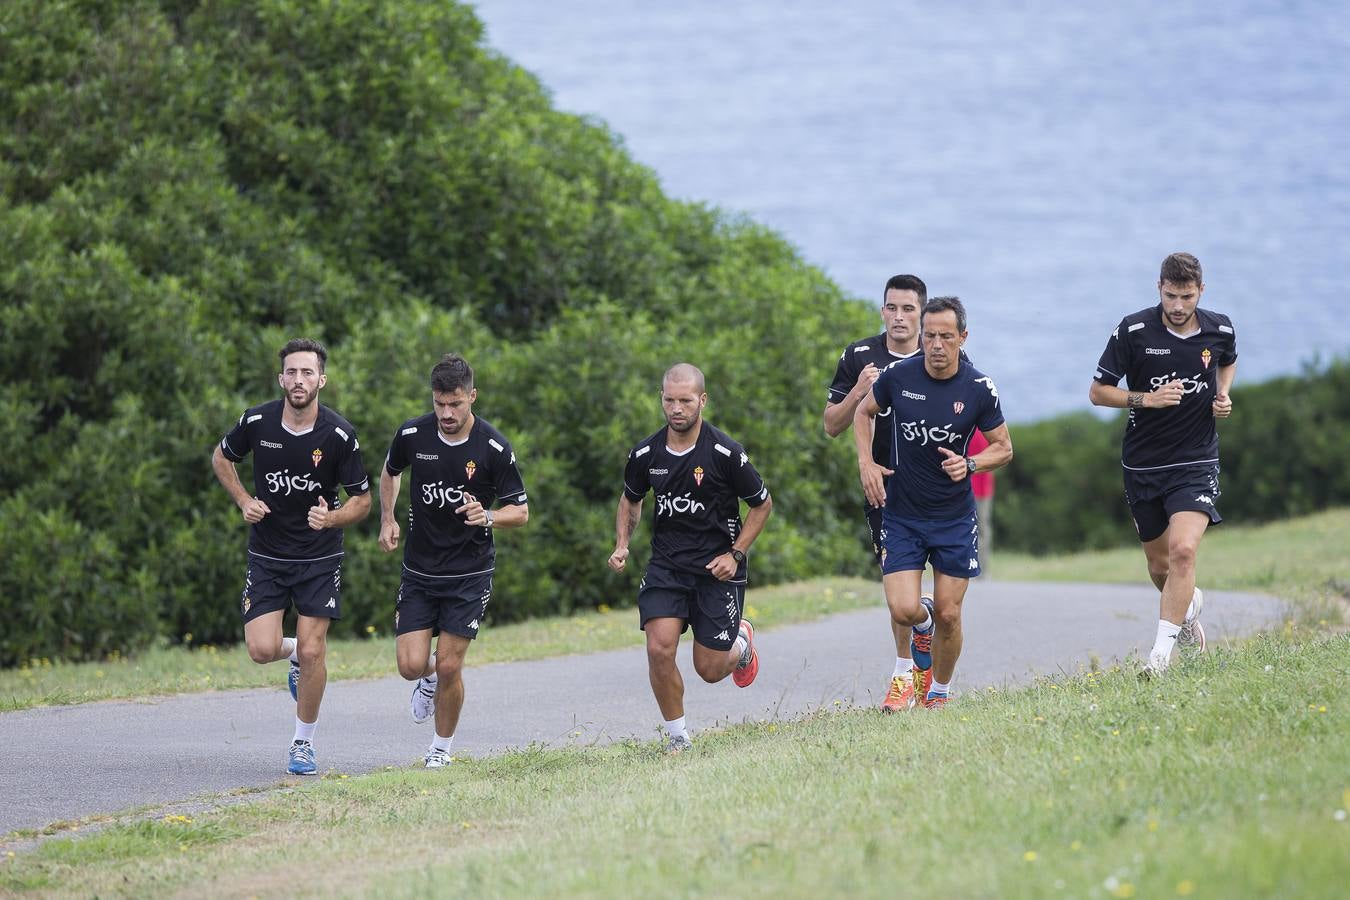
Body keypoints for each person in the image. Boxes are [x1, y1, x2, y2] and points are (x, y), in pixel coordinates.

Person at [212, 338, 372, 775]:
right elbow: (222, 458)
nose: (298, 380)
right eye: (291, 372)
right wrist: (244, 499)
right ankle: (295, 655)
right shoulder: (257, 420)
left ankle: (303, 743)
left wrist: (333, 517)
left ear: (322, 379)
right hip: (268, 554)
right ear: (280, 378)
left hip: (319, 559)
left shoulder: (339, 434)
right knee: (262, 649)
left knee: (314, 646)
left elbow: (363, 500)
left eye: (307, 373)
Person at [853, 297, 1013, 708]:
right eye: (929, 336)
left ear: (963, 337)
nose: (937, 345)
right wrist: (867, 463)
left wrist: (971, 463)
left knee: (950, 614)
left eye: (946, 336)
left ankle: (938, 692)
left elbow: (1004, 448)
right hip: (903, 513)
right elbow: (862, 413)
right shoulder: (898, 376)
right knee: (904, 608)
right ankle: (920, 624)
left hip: (954, 518)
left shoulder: (978, 388)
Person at [608, 363, 773, 751]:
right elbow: (631, 499)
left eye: (685, 400)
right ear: (661, 399)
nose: (676, 408)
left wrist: (735, 554)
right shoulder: (646, 453)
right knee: (658, 647)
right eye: (669, 400)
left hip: (717, 570)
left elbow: (762, 505)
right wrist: (621, 544)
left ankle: (741, 642)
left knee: (710, 670)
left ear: (702, 400)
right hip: (667, 566)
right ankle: (678, 737)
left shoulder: (725, 453)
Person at [378, 354, 529, 768]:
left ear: (472, 397)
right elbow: (390, 472)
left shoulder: (493, 447)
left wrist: (490, 516)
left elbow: (520, 510)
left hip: (470, 574)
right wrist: (387, 518)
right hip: (420, 570)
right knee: (411, 666)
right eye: (440, 404)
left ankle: (440, 749)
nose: (446, 413)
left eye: (456, 404)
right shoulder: (412, 434)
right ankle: (425, 682)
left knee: (449, 664)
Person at [1089, 252, 1236, 675]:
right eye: (1170, 295)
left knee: (1184, 551)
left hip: (1196, 461)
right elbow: (1098, 392)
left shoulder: (1220, 327)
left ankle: (1159, 658)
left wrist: (1222, 395)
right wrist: (1146, 399)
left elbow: (1228, 360)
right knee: (1160, 567)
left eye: (1186, 296)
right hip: (1143, 465)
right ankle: (1187, 613)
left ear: (1200, 292)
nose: (1177, 305)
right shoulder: (1133, 329)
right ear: (1159, 289)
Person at [823, 274, 932, 711]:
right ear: (882, 310)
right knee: (898, 594)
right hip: (883, 490)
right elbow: (831, 425)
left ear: (922, 313)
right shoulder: (859, 355)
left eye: (908, 309)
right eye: (892, 307)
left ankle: (935, 684)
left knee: (942, 603)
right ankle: (903, 673)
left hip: (937, 490)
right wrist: (857, 391)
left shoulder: (940, 351)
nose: (899, 317)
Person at [968, 429, 995, 576]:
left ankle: (982, 569)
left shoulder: (989, 427)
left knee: (982, 529)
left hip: (982, 489)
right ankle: (972, 568)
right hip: (965, 488)